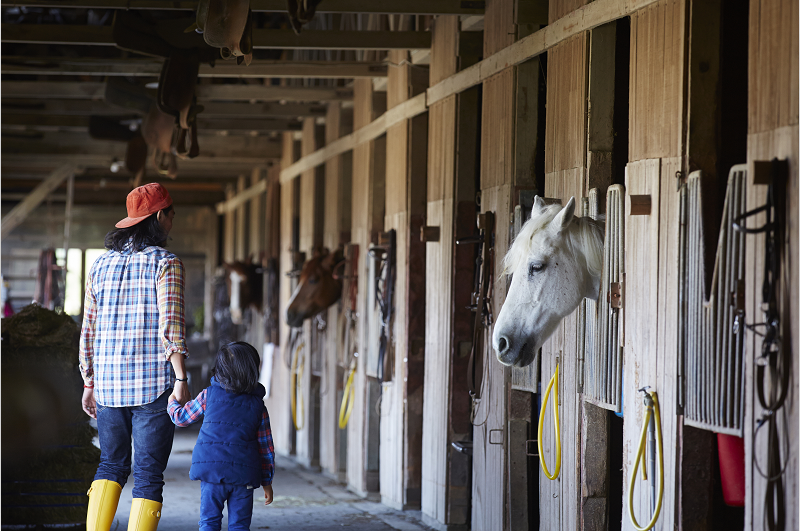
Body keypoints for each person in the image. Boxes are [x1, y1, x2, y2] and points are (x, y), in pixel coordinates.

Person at [80, 183, 190, 531]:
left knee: (110, 466)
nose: (172, 219)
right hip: (153, 386)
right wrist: (182, 380)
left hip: (109, 386)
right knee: (147, 473)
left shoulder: (100, 264)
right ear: (160, 216)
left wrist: (89, 381)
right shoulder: (166, 263)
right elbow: (171, 327)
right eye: (171, 214)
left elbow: (89, 330)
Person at [167, 341, 275, 531]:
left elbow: (181, 418)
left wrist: (172, 403)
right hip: (244, 476)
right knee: (240, 525)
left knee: (209, 522)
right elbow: (266, 448)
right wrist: (267, 481)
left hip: (212, 473)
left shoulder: (209, 395)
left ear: (219, 369)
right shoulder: (259, 406)